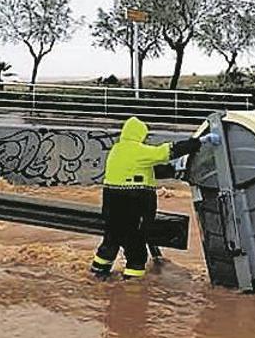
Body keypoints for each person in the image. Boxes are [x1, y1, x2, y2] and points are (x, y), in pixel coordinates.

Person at [90, 116, 221, 280]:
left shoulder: (117, 150)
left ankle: (97, 274)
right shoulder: (138, 150)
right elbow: (168, 151)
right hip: (132, 205)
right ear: (139, 135)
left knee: (111, 240)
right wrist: (199, 142)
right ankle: (132, 288)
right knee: (136, 249)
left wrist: (172, 170)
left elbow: (147, 169)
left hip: (111, 204)